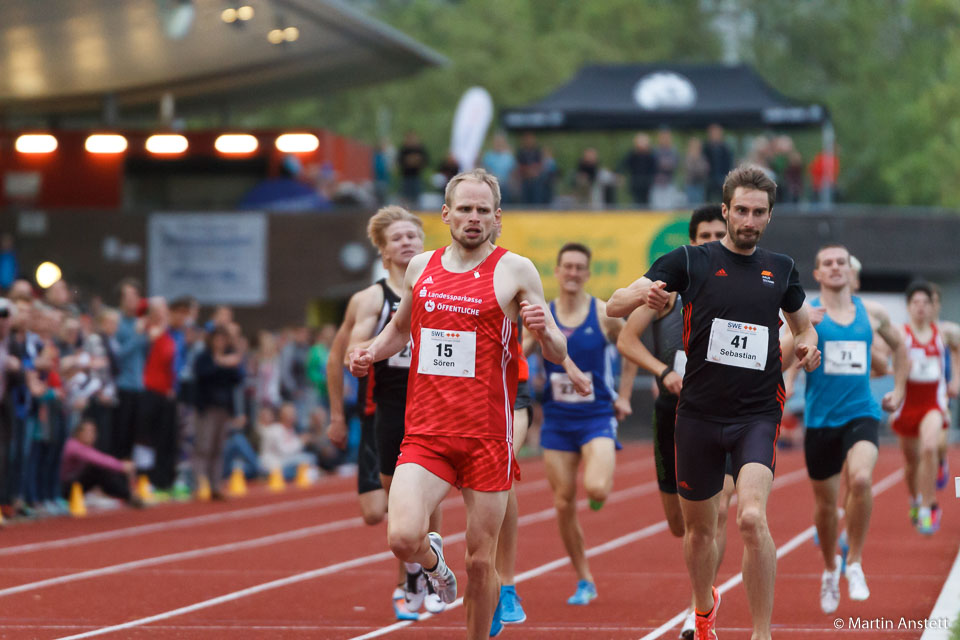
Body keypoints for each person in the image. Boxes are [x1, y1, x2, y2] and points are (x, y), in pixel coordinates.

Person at [349, 169, 567, 639]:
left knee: (480, 561)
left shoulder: (516, 270)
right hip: (426, 432)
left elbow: (556, 352)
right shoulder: (420, 266)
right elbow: (400, 330)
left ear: (497, 218)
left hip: (488, 436)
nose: (473, 218)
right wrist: (369, 350)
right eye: (464, 209)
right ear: (445, 214)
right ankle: (433, 565)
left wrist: (545, 329)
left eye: (482, 210)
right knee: (402, 536)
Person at [607, 165, 821, 640]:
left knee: (749, 517)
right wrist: (640, 290)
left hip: (757, 414)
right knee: (700, 532)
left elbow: (803, 325)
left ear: (769, 217)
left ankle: (761, 633)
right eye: (741, 210)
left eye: (758, 212)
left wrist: (806, 344)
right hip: (698, 416)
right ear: (725, 211)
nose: (749, 220)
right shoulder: (689, 260)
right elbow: (615, 308)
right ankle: (703, 610)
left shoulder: (781, 268)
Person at [616, 204, 733, 638]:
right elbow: (627, 338)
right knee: (681, 525)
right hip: (672, 414)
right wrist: (662, 372)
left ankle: (699, 607)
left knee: (718, 512)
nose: (710, 241)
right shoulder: (668, 292)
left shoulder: (740, 289)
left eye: (717, 234)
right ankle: (705, 597)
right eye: (703, 235)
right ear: (692, 240)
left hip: (725, 413)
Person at [792, 245, 907, 613]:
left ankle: (854, 562)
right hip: (821, 419)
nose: (836, 267)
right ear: (818, 274)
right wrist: (796, 368)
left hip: (862, 412)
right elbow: (789, 350)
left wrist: (899, 391)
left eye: (841, 262)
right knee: (826, 507)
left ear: (849, 270)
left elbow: (901, 349)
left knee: (860, 480)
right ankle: (830, 569)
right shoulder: (807, 315)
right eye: (828, 263)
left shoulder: (871, 314)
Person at [345, 205, 446, 619]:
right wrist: (359, 353)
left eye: (413, 236)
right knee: (394, 497)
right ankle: (411, 573)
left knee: (431, 492)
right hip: (389, 403)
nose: (407, 243)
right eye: (398, 238)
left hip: (433, 400)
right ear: (383, 251)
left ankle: (432, 572)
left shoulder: (439, 285)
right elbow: (356, 339)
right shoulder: (373, 296)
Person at [533, 242, 629, 607]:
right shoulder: (545, 314)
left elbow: (629, 347)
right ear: (556, 272)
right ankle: (584, 578)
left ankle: (599, 492)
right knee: (562, 503)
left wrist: (623, 395)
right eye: (567, 267)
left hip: (597, 416)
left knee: (598, 489)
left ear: (587, 275)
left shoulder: (603, 314)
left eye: (579, 268)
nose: (572, 273)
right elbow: (518, 349)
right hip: (557, 421)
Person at [890, 281, 960, 534]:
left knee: (930, 447)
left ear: (933, 307)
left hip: (934, 403)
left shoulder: (944, 332)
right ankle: (915, 499)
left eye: (925, 303)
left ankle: (929, 506)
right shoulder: (899, 333)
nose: (921, 307)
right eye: (916, 303)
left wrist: (956, 378)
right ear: (908, 307)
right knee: (911, 463)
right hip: (907, 405)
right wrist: (892, 370)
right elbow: (876, 351)